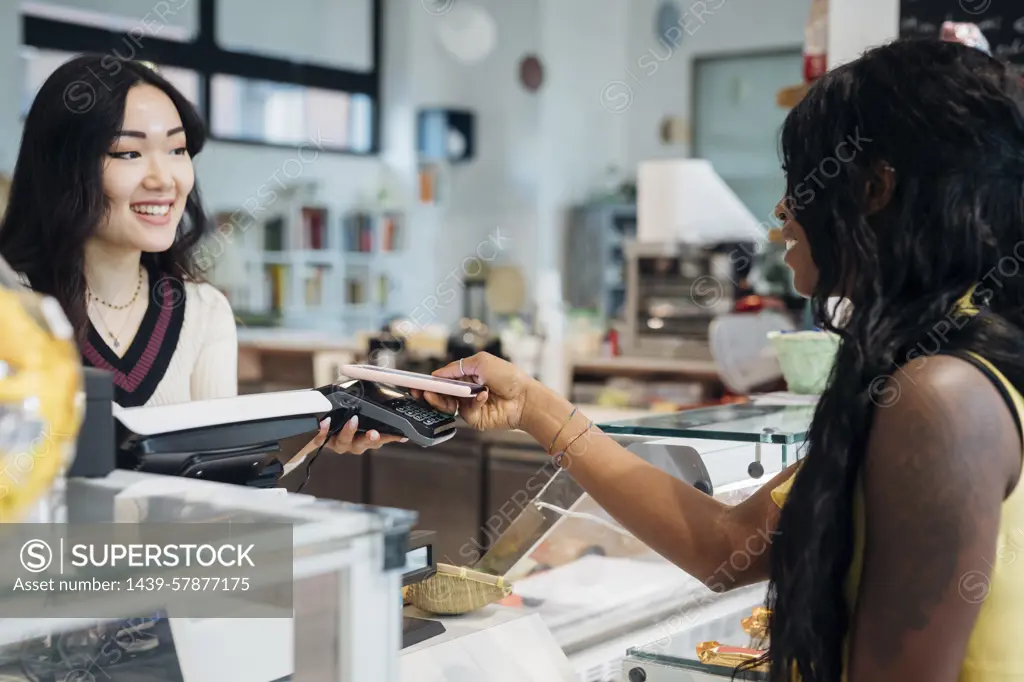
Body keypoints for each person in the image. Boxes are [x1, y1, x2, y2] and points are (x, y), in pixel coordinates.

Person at [419, 39, 1024, 682]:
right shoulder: (931, 369)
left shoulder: (938, 397)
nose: (783, 209)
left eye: (804, 178)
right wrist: (531, 404)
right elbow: (727, 546)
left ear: (874, 188)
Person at [0, 54, 396, 457]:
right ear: (62, 167)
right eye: (128, 153)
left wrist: (312, 445)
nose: (164, 179)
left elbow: (222, 482)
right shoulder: (13, 309)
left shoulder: (203, 314)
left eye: (177, 149)